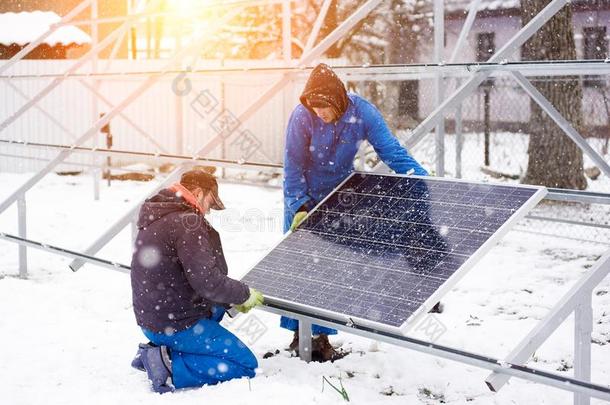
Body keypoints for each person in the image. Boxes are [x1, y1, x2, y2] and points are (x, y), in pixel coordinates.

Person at [282, 63, 428, 361]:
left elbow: (390, 150)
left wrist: (421, 178)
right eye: (315, 107)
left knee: (332, 266)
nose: (320, 112)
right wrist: (299, 205)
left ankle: (318, 339)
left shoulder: (363, 112)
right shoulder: (302, 116)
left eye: (324, 106)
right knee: (302, 268)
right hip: (305, 198)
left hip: (340, 198)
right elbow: (293, 165)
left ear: (337, 99)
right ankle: (304, 337)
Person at [130, 169, 264, 393]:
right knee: (244, 364)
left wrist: (230, 300)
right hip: (174, 325)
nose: (209, 211)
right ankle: (167, 365)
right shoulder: (187, 223)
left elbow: (188, 277)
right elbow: (208, 282)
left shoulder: (160, 214)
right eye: (210, 203)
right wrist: (244, 294)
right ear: (200, 193)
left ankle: (160, 350)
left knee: (219, 308)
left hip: (153, 319)